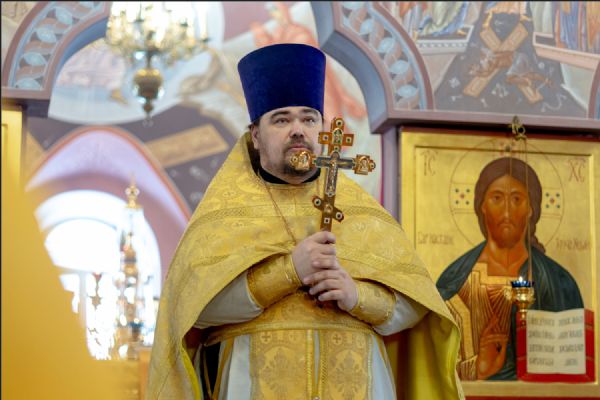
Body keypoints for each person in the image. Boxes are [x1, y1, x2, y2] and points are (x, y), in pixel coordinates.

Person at [147, 43, 463, 400]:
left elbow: (416, 305)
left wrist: (356, 295)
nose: (298, 130)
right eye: (282, 119)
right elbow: (193, 308)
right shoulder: (223, 213)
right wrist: (288, 271)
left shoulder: (362, 212)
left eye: (309, 119)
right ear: (255, 135)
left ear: (322, 130)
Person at [436, 157, 584, 381]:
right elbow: (433, 365)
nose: (507, 211)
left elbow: (574, 367)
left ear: (531, 208)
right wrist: (478, 369)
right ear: (482, 205)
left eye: (517, 199)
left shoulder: (558, 281)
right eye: (497, 198)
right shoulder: (454, 282)